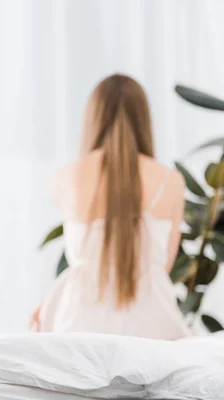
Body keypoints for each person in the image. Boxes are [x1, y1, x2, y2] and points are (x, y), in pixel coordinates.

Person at [31, 74, 192, 340]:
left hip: (79, 326)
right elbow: (164, 266)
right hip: (154, 328)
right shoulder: (171, 181)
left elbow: (82, 267)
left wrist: (50, 305)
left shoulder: (65, 177)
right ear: (143, 119)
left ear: (93, 119)